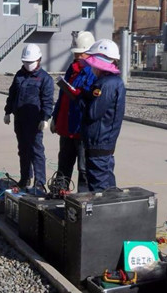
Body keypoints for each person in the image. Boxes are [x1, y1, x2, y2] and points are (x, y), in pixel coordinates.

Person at [50, 31, 96, 192]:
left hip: (81, 130)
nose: (77, 56)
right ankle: (59, 193)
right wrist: (55, 118)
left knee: (83, 169)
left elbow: (91, 101)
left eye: (80, 53)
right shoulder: (72, 68)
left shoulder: (94, 71)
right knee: (64, 164)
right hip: (67, 128)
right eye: (75, 53)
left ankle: (83, 202)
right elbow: (63, 95)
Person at [4, 44, 54, 189]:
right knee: (23, 150)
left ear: (39, 60)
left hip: (35, 121)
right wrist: (7, 112)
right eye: (25, 62)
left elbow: (47, 100)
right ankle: (25, 178)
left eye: (30, 62)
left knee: (36, 151)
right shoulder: (19, 75)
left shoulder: (45, 79)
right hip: (20, 119)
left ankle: (39, 182)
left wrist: (45, 118)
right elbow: (12, 94)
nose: (28, 65)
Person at [80, 39, 126, 192]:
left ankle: (103, 215)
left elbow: (94, 112)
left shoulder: (106, 84)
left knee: (98, 187)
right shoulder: (111, 82)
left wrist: (81, 99)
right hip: (103, 141)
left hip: (99, 140)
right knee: (107, 184)